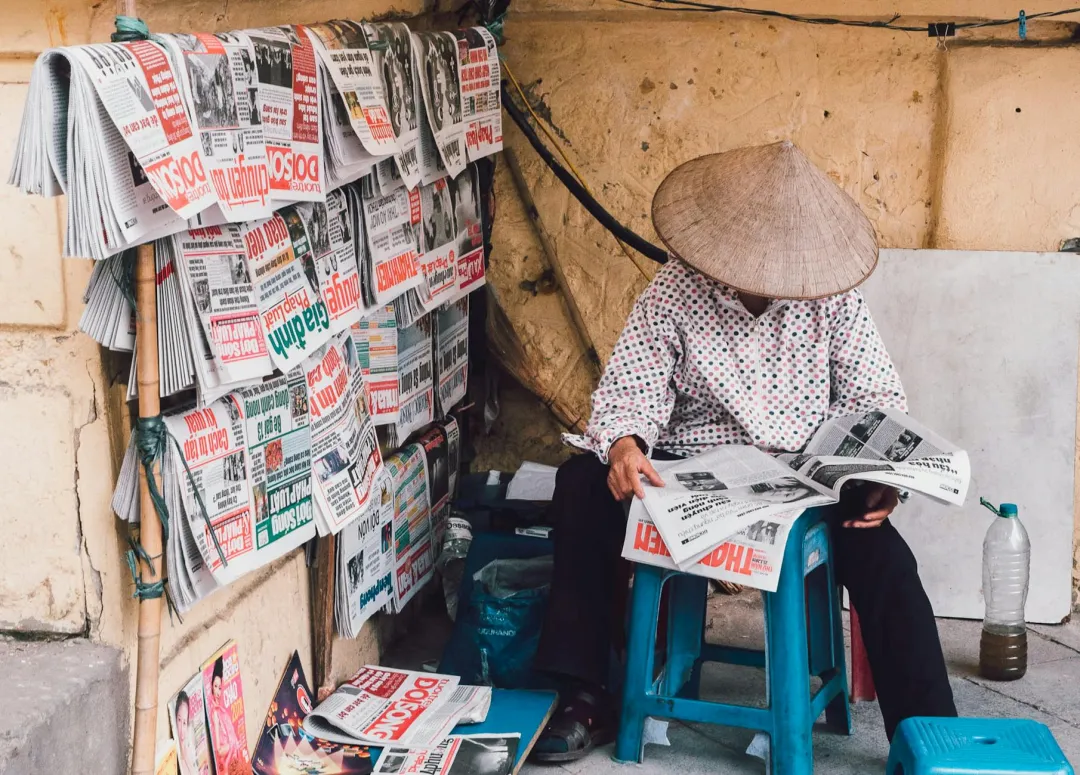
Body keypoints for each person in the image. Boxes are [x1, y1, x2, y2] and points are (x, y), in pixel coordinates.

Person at [530, 141, 957, 763]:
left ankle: (928, 736)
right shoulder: (675, 289)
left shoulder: (831, 297)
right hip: (686, 467)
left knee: (884, 553)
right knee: (581, 483)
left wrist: (879, 477)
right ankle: (583, 692)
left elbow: (876, 398)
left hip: (802, 479)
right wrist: (624, 443)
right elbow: (631, 390)